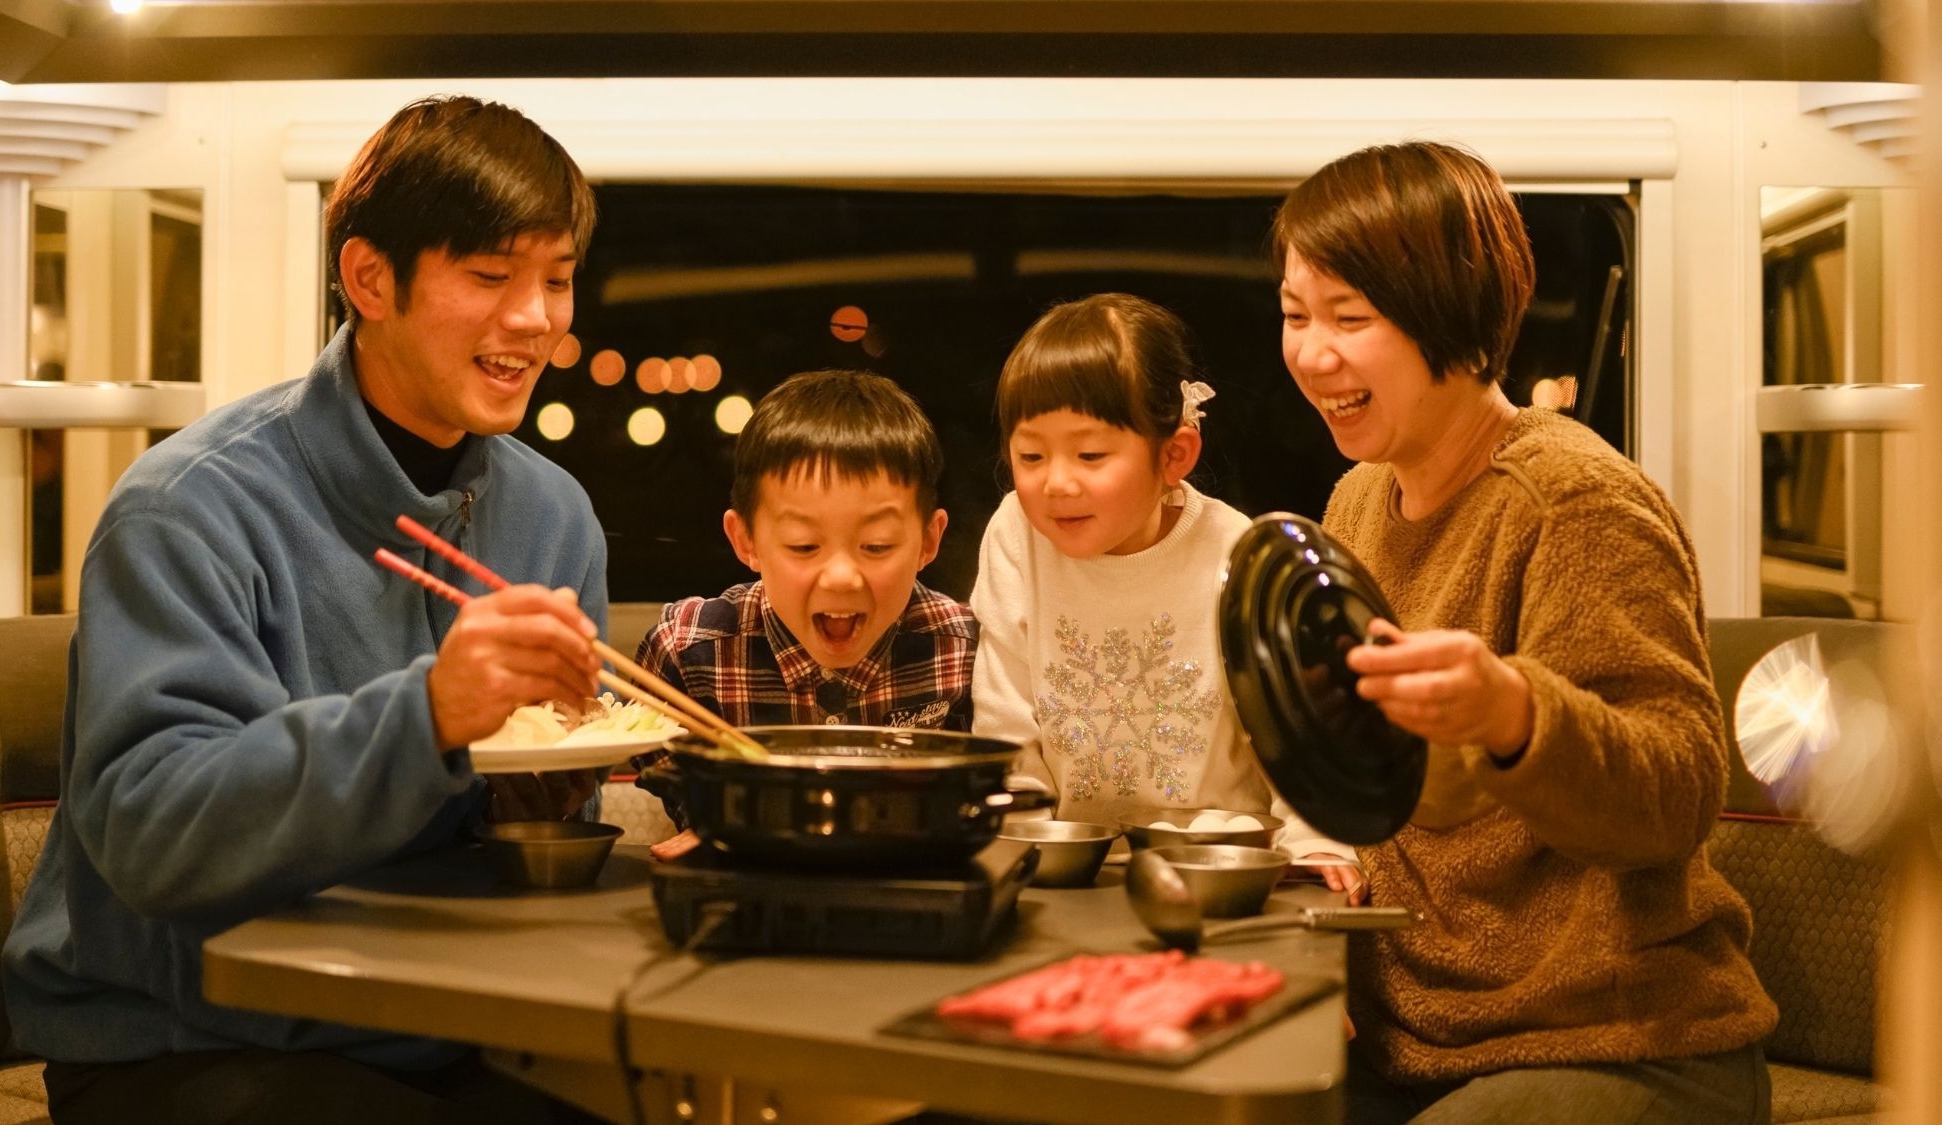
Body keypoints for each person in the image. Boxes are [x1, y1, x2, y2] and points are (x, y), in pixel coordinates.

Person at [3, 96, 608, 1124]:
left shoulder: (551, 517)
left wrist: (548, 794)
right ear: (371, 278)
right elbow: (153, 830)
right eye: (492, 277)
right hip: (178, 1033)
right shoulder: (190, 505)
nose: (537, 319)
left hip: (427, 1015)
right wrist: (428, 715)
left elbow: (536, 818)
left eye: (555, 281)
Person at [1275, 141, 1777, 1124]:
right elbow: (1371, 788)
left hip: (1626, 1046)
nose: (1309, 353)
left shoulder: (1571, 502)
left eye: (1349, 317)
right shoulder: (1357, 502)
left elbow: (1675, 793)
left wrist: (1513, 713)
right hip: (1417, 1038)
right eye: (1294, 314)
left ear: (1447, 315)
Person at [969, 293, 1354, 875]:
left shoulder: (1238, 554)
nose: (1056, 482)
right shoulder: (1014, 535)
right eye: (1031, 455)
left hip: (1220, 865)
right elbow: (1005, 727)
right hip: (1070, 868)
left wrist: (1314, 844)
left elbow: (1297, 733)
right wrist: (1028, 848)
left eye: (1090, 453)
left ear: (1174, 454)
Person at [631, 369, 976, 829]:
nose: (840, 575)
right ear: (745, 539)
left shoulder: (960, 649)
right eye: (803, 546)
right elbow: (671, 787)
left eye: (876, 546)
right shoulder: (688, 654)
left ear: (929, 542)